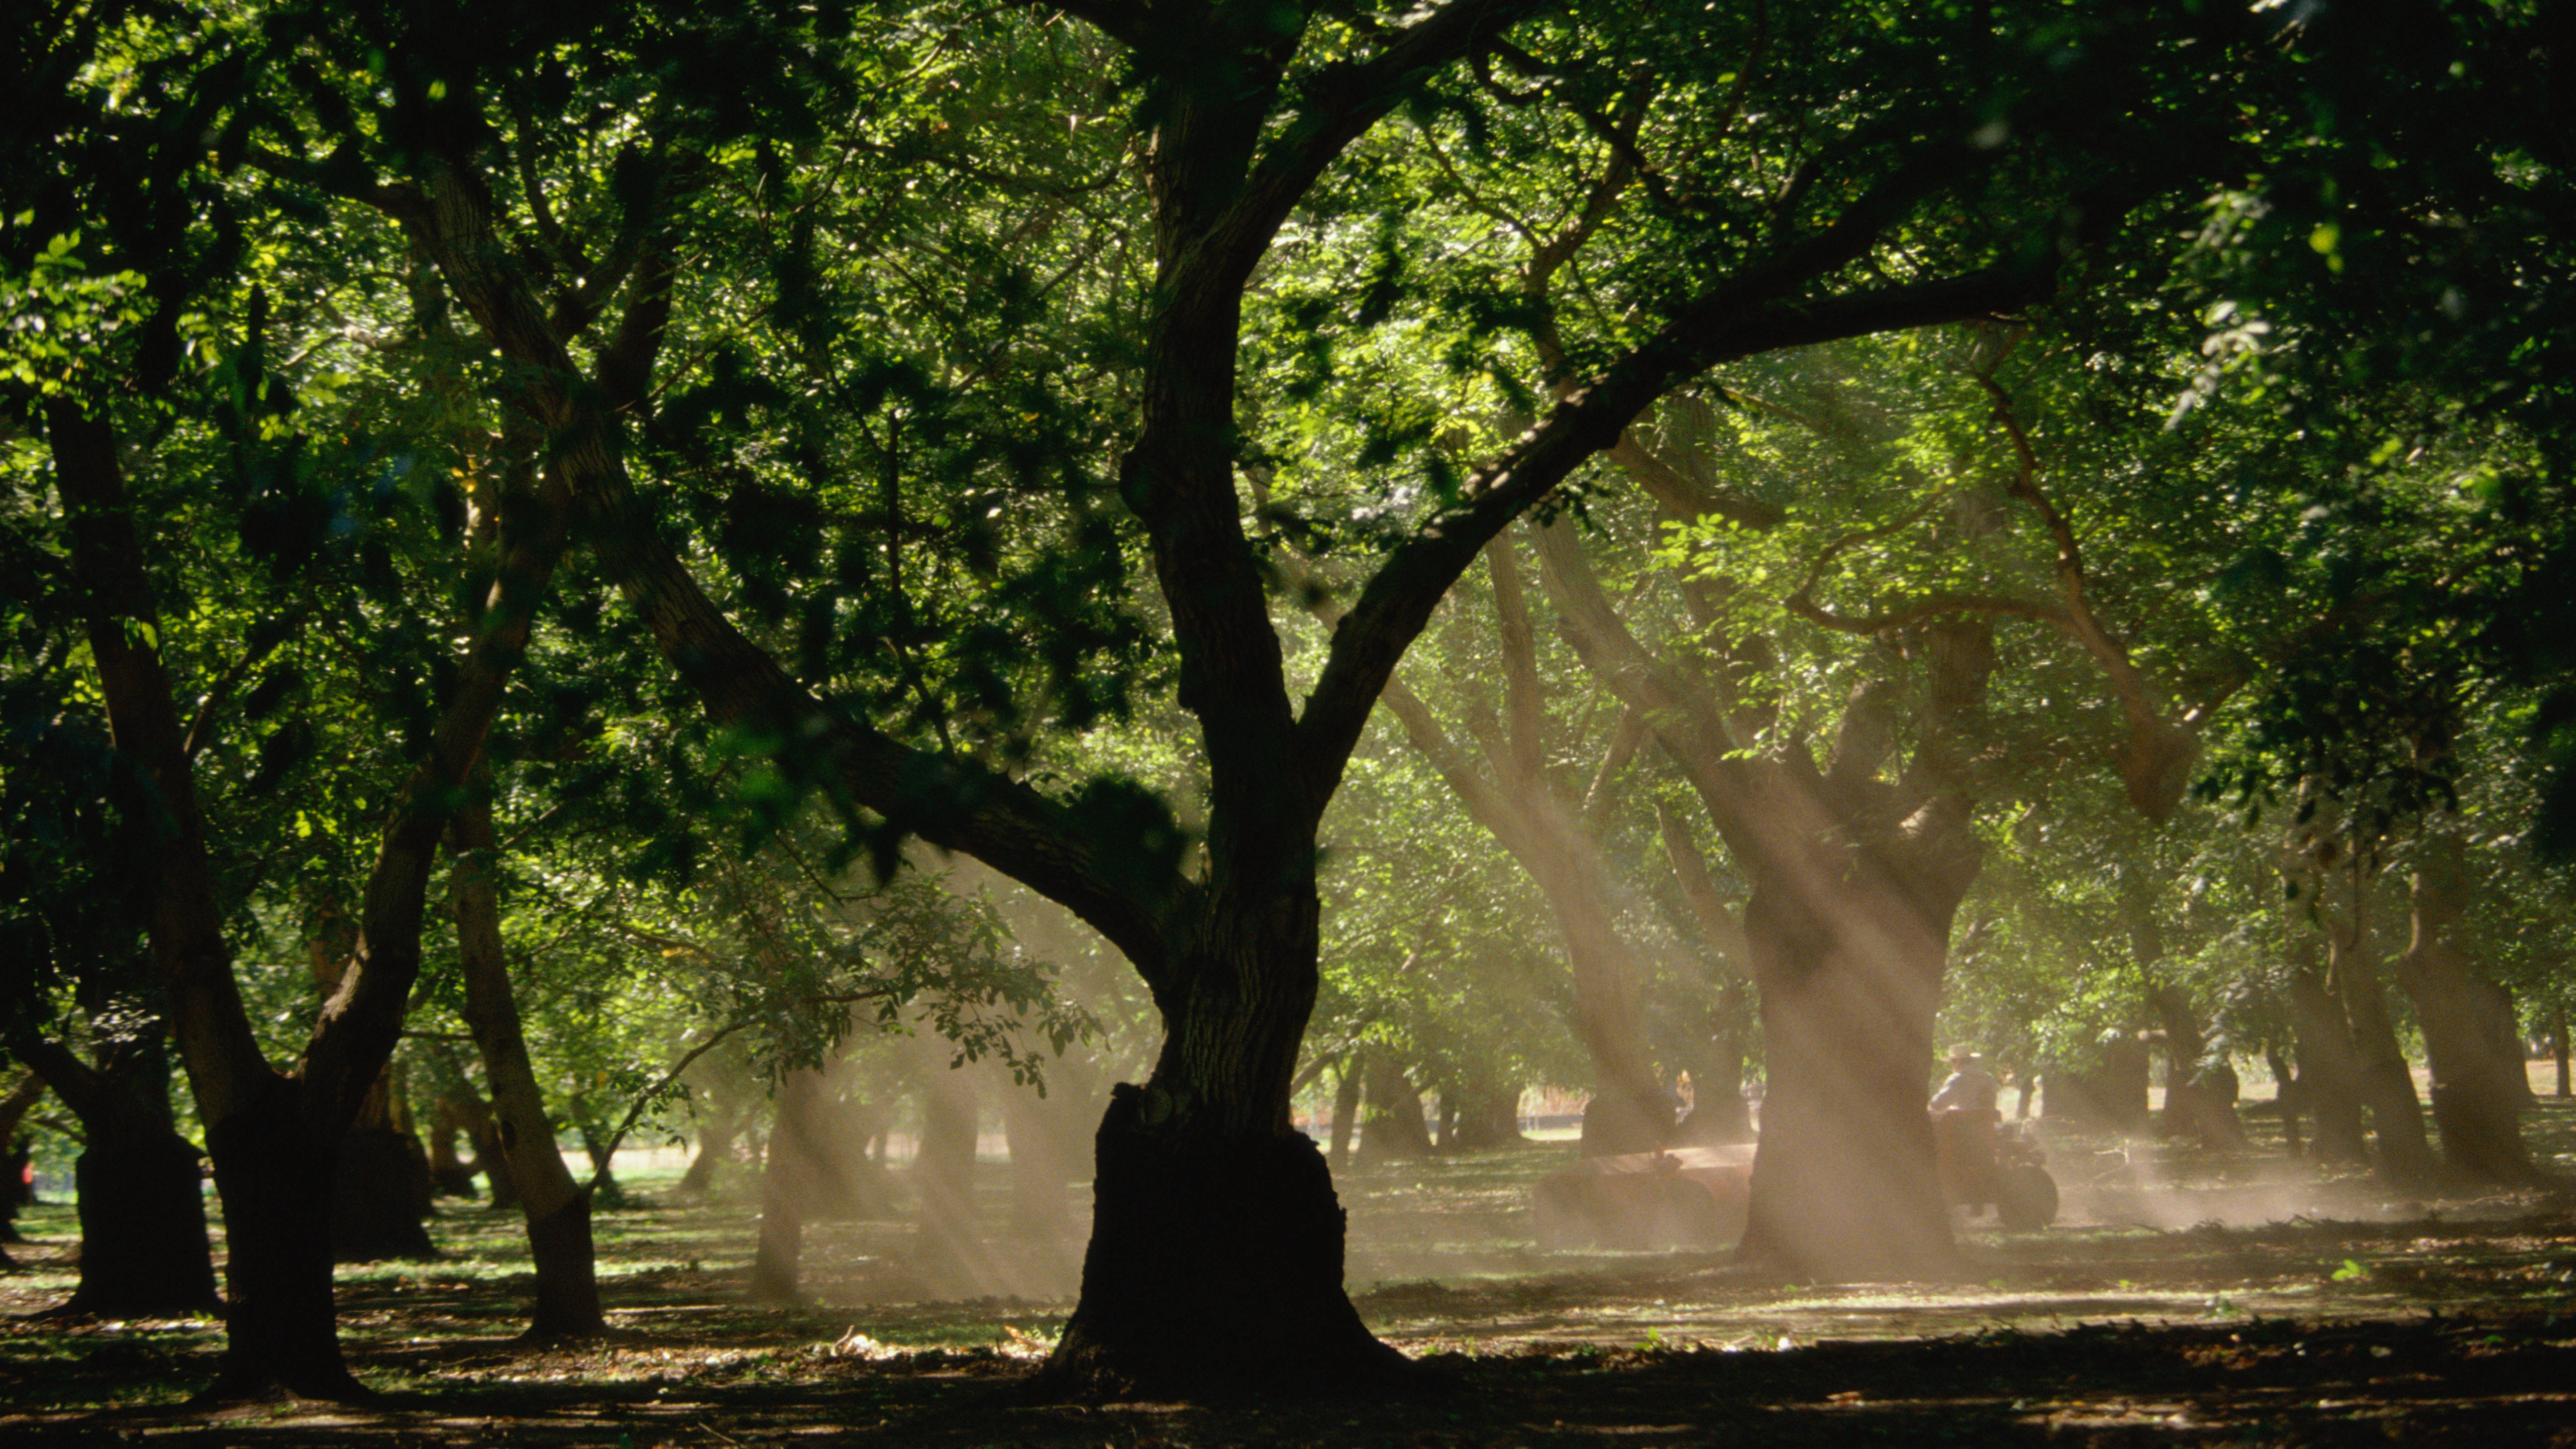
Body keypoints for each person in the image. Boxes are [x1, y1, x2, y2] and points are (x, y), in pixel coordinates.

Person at [1929, 1044, 1999, 1114]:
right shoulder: (1989, 1078)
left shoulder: (1957, 1079)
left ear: (1957, 1062)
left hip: (1963, 1122)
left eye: (1952, 1062)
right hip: (1988, 1122)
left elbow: (1937, 1104)